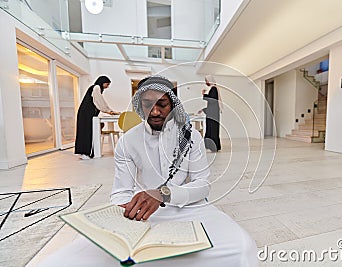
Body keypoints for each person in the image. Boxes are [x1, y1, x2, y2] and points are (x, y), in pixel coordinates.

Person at [38, 75, 258, 266]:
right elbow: (121, 191)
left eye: (162, 104)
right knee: (65, 260)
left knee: (242, 249)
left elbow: (202, 185)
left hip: (190, 209)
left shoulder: (193, 137)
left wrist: (163, 194)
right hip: (143, 216)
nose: (154, 111)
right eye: (147, 104)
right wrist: (127, 212)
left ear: (173, 105)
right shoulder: (127, 141)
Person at [74, 75, 120, 160]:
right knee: (87, 132)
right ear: (103, 82)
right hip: (86, 114)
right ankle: (84, 153)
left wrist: (109, 110)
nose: (107, 86)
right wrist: (109, 111)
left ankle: (86, 152)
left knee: (87, 131)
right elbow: (99, 102)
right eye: (107, 84)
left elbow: (98, 102)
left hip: (85, 114)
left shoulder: (96, 88)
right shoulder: (96, 87)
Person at [199, 75, 222, 152]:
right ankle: (212, 146)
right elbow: (212, 103)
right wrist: (203, 109)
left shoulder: (214, 89)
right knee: (211, 129)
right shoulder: (213, 89)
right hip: (213, 113)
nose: (206, 82)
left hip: (213, 114)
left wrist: (204, 94)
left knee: (212, 129)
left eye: (207, 81)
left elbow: (212, 100)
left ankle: (213, 147)